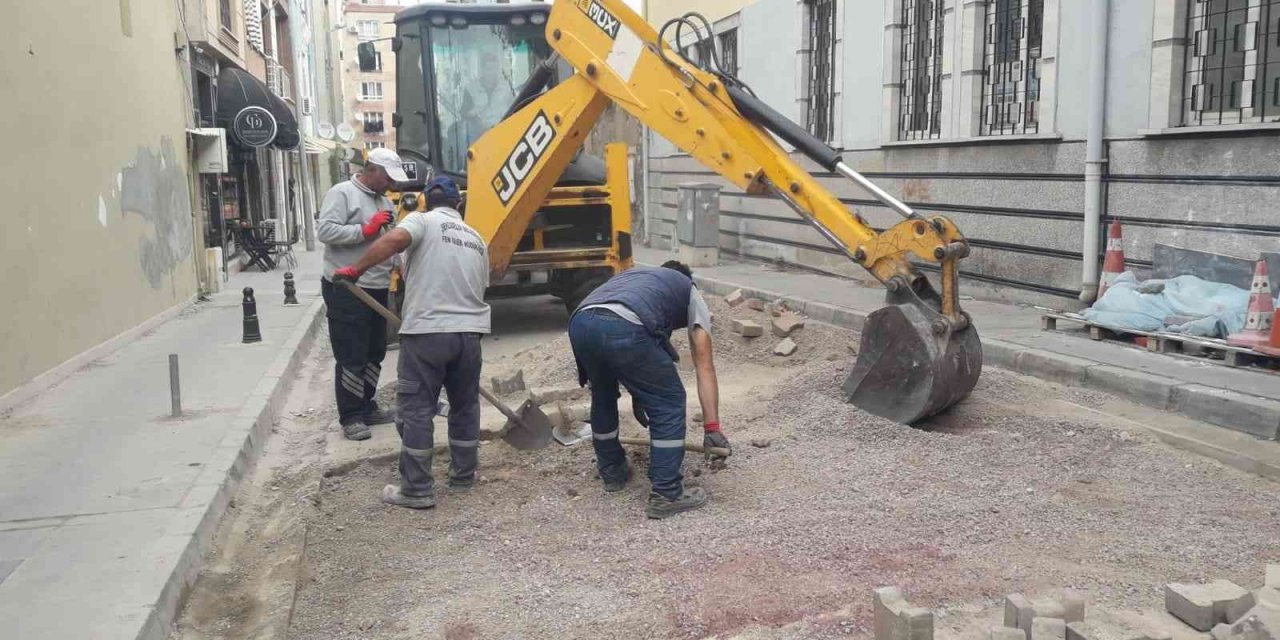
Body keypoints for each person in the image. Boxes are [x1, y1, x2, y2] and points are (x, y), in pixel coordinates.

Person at [333, 176, 491, 510]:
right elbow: (480, 283)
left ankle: (417, 489)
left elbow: (394, 241)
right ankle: (463, 477)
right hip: (470, 335)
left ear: (426, 202)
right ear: (458, 204)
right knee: (465, 407)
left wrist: (355, 269)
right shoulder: (476, 238)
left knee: (416, 411)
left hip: (428, 334)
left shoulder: (422, 221)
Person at [568, 262, 732, 519]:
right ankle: (667, 493)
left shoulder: (637, 279)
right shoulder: (689, 290)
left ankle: (612, 470)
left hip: (581, 322)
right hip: (625, 325)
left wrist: (640, 393)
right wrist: (712, 428)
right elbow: (704, 363)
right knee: (669, 401)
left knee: (603, 394)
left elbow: (639, 356)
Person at [316, 148, 409, 441]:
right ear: (372, 170)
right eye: (387, 178)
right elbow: (326, 231)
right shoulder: (342, 193)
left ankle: (367, 405)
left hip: (378, 285)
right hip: (346, 286)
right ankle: (351, 416)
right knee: (351, 353)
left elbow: (391, 243)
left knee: (374, 352)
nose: (391, 184)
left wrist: (403, 267)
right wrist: (363, 231)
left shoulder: (384, 202)